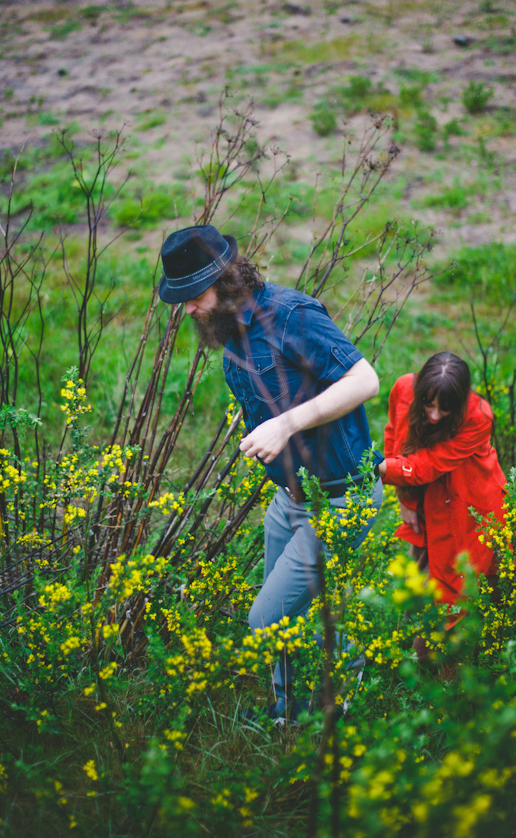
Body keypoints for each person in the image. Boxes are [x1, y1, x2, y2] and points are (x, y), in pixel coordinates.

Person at [158, 224, 383, 722]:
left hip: (339, 499)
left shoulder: (291, 315)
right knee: (295, 612)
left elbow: (365, 379)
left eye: (192, 295)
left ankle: (340, 699)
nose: (186, 309)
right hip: (290, 500)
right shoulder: (229, 327)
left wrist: (287, 421)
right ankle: (289, 716)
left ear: (225, 279)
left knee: (266, 619)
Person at [378, 352, 506, 650]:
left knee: (462, 583)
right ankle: (415, 652)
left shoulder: (477, 416)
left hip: (470, 505)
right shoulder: (403, 389)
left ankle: (456, 663)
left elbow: (428, 465)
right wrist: (405, 499)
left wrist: (383, 470)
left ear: (460, 402)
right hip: (427, 497)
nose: (434, 415)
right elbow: (393, 436)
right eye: (428, 404)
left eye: (445, 409)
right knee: (423, 568)